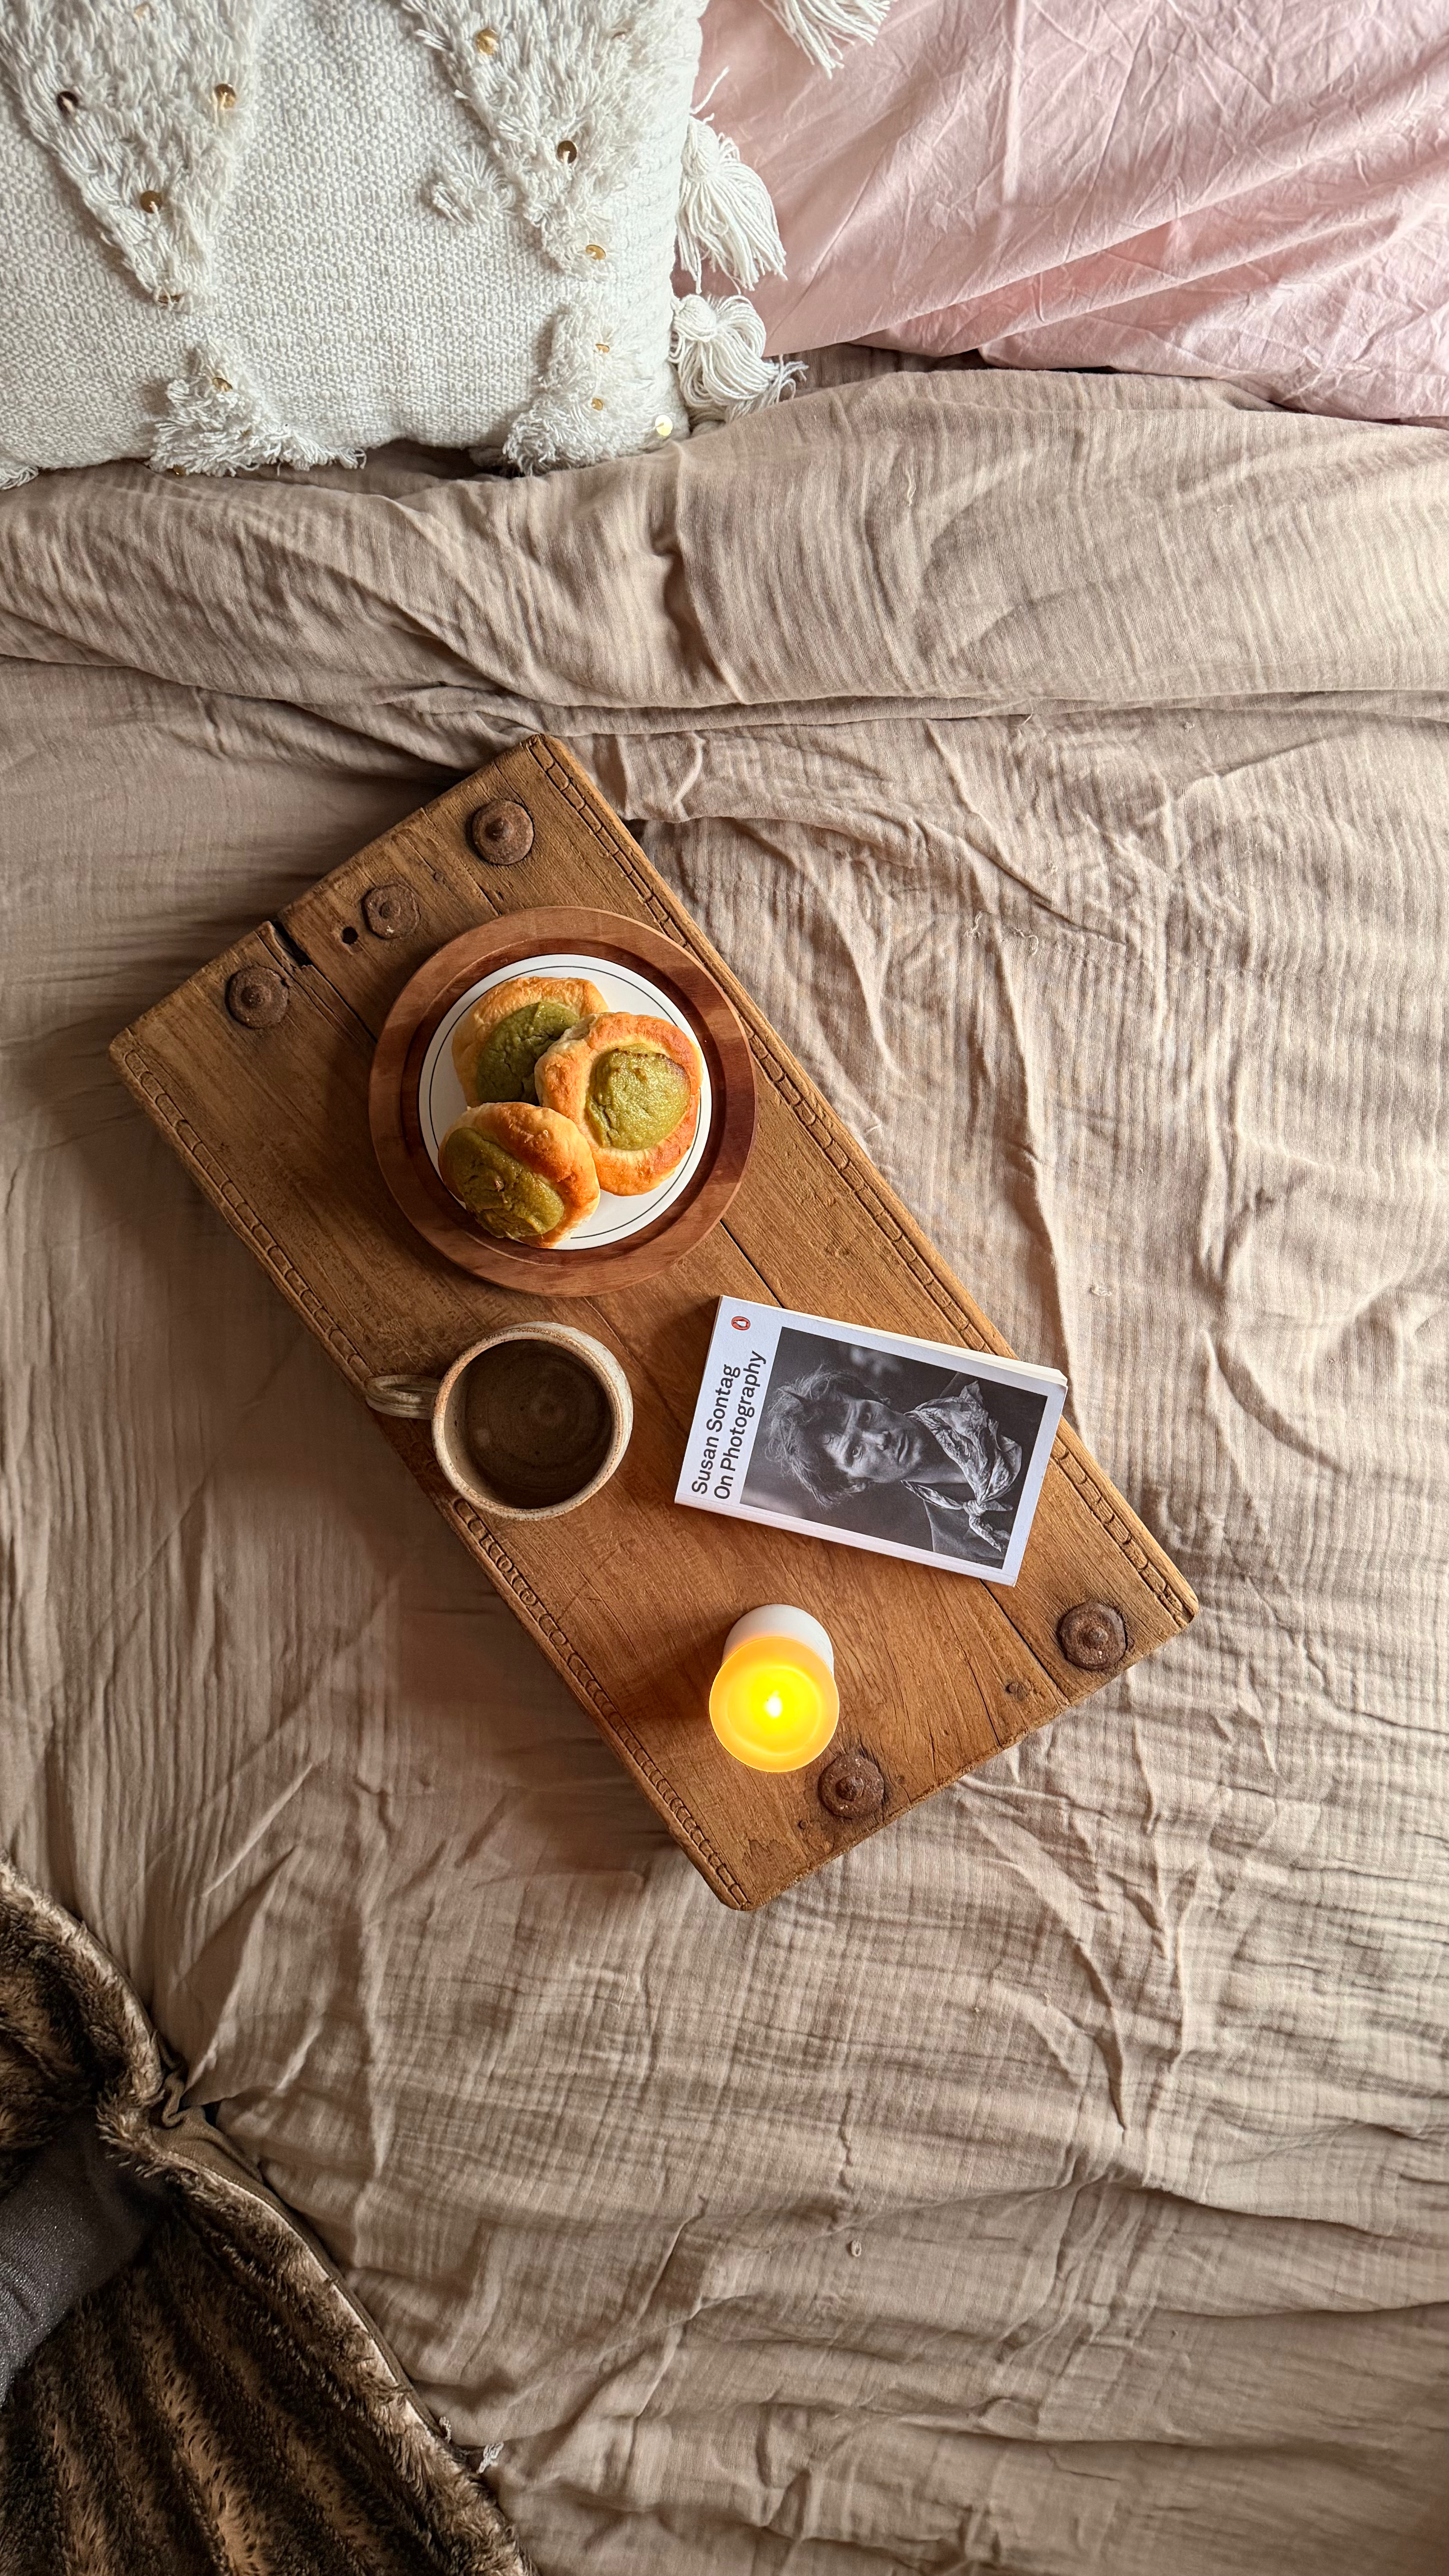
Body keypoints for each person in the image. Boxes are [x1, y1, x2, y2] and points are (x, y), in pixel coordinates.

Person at [758, 1359, 1025, 1564]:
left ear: (879, 1400)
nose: (880, 1439)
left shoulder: (986, 1378)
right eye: (855, 1451)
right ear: (855, 1483)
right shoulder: (956, 1549)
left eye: (866, 1417)